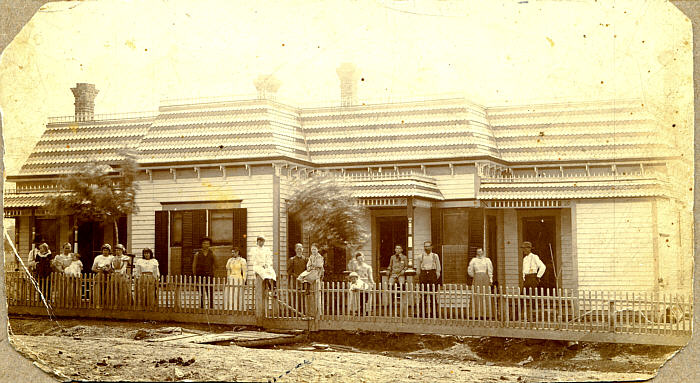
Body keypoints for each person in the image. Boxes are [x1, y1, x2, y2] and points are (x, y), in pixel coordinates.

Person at [521, 241, 546, 322]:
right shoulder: (524, 258)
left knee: (533, 298)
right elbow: (524, 270)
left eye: (525, 248)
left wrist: (538, 276)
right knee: (523, 296)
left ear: (529, 249)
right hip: (527, 279)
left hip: (533, 277)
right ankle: (521, 315)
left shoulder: (534, 257)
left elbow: (542, 267)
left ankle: (534, 317)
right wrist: (524, 277)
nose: (524, 250)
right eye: (523, 248)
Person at [416, 241, 441, 317]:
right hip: (423, 274)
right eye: (425, 246)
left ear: (431, 247)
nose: (426, 248)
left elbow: (438, 267)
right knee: (423, 294)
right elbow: (418, 268)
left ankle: (434, 313)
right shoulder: (420, 256)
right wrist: (419, 276)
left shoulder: (435, 256)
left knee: (433, 294)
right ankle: (422, 313)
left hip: (432, 274)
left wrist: (436, 274)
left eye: (428, 246)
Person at [468, 248, 494, 319]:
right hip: (477, 278)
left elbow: (490, 270)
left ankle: (487, 314)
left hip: (485, 278)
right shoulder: (474, 260)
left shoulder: (487, 260)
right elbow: (470, 270)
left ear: (483, 252)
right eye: (478, 252)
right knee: (477, 295)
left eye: (480, 252)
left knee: (485, 295)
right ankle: (476, 314)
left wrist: (490, 279)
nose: (479, 253)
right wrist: (475, 276)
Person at [192, 237, 215, 309]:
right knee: (201, 292)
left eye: (208, 243)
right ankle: (202, 307)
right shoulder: (197, 254)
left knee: (210, 292)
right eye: (204, 243)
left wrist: (212, 273)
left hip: (209, 275)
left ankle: (211, 307)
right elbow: (194, 265)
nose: (206, 245)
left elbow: (215, 265)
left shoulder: (212, 254)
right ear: (201, 244)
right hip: (200, 275)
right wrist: (195, 275)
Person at [92, 244, 114, 308]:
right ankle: (98, 303)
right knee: (99, 289)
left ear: (109, 251)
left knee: (108, 289)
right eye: (104, 250)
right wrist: (100, 270)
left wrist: (108, 269)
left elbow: (113, 268)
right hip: (100, 275)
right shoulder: (98, 257)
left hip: (108, 275)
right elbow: (93, 268)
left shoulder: (112, 258)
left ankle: (107, 304)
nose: (105, 252)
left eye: (107, 250)